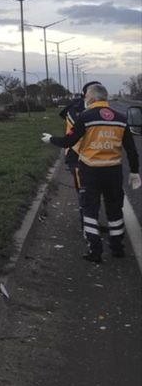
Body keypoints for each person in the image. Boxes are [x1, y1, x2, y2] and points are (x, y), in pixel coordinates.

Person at [41, 83, 141, 263]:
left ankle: (95, 251)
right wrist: (134, 171)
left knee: (90, 210)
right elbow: (131, 150)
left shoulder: (85, 117)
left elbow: (69, 141)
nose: (85, 99)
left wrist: (51, 139)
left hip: (90, 171)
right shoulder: (120, 118)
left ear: (93, 98)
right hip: (113, 172)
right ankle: (117, 248)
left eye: (86, 96)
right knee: (114, 210)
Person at [59, 81, 101, 228]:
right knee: (85, 192)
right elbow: (77, 132)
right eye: (93, 92)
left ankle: (92, 222)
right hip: (76, 155)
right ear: (85, 95)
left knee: (94, 192)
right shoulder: (75, 110)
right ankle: (87, 227)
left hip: (93, 156)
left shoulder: (98, 109)